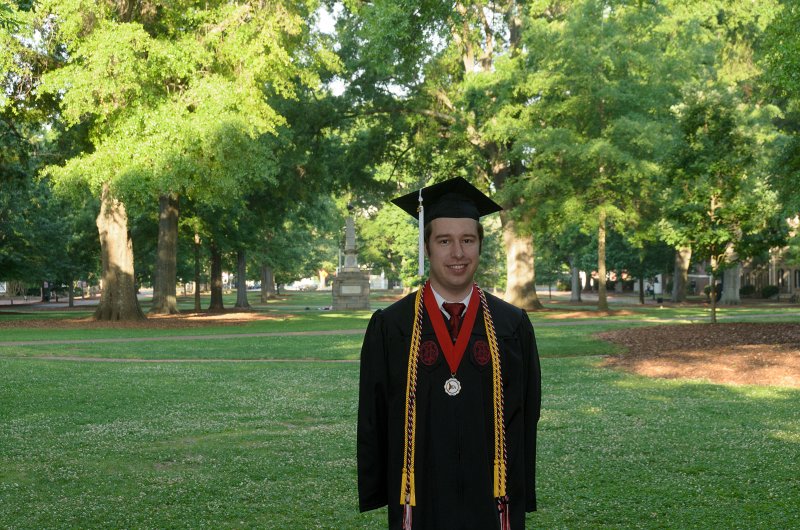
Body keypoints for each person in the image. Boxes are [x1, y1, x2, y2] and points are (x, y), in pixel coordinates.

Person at [357, 177, 542, 530]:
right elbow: (374, 416)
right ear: (427, 247)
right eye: (445, 241)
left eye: (467, 240)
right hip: (419, 498)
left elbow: (526, 414)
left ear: (479, 247)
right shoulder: (392, 326)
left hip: (492, 500)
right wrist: (380, 489)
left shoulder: (512, 326)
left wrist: (520, 489)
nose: (457, 253)